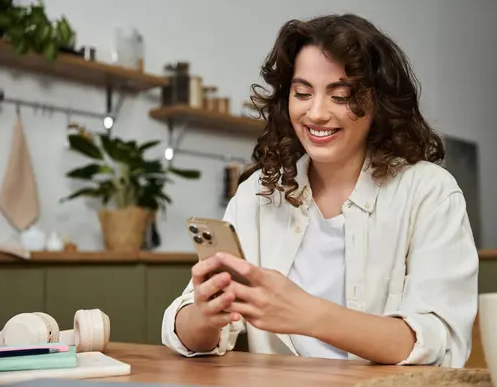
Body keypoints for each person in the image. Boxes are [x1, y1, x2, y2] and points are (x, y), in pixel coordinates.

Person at [161, 13, 479, 367]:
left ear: (379, 103)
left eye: (341, 96)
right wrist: (205, 316)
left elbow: (441, 345)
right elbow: (187, 332)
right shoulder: (257, 196)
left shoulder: (429, 193)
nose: (316, 113)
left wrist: (307, 313)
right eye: (302, 93)